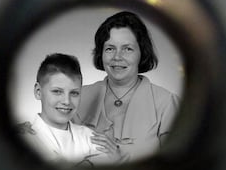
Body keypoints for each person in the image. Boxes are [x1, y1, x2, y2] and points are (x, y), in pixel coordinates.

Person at [72, 11, 180, 162]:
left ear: (141, 53)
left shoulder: (166, 104)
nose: (117, 57)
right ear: (101, 53)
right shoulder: (78, 97)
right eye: (110, 48)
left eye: (127, 48)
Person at [18, 53, 119, 167]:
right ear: (38, 91)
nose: (67, 101)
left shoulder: (89, 136)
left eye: (74, 93)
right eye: (57, 91)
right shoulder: (23, 136)